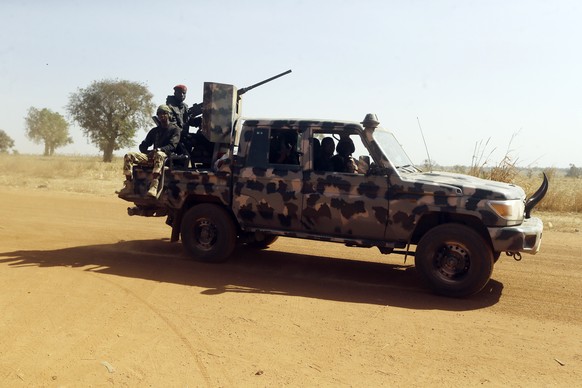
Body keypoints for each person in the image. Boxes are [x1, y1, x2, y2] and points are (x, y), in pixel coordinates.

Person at [117, 105, 181, 197]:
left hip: (166, 156)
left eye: (164, 113)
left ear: (169, 115)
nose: (161, 116)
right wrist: (147, 152)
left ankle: (154, 186)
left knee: (159, 154)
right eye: (159, 114)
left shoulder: (174, 130)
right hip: (152, 156)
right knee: (129, 155)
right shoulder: (155, 131)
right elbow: (144, 145)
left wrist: (158, 150)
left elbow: (172, 146)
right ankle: (129, 185)